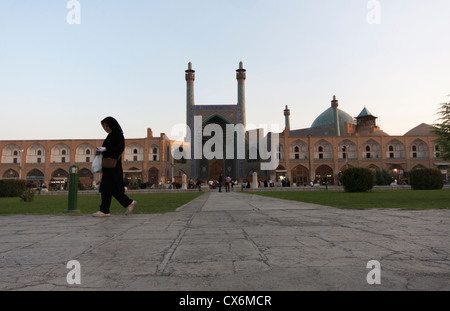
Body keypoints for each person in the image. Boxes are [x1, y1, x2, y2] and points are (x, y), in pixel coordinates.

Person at [92, 117, 136, 217]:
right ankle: (125, 204)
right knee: (109, 188)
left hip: (113, 166)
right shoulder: (111, 135)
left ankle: (105, 210)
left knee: (108, 188)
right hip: (108, 166)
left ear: (113, 124)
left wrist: (104, 149)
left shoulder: (118, 135)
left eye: (107, 125)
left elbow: (118, 149)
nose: (106, 128)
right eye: (104, 126)